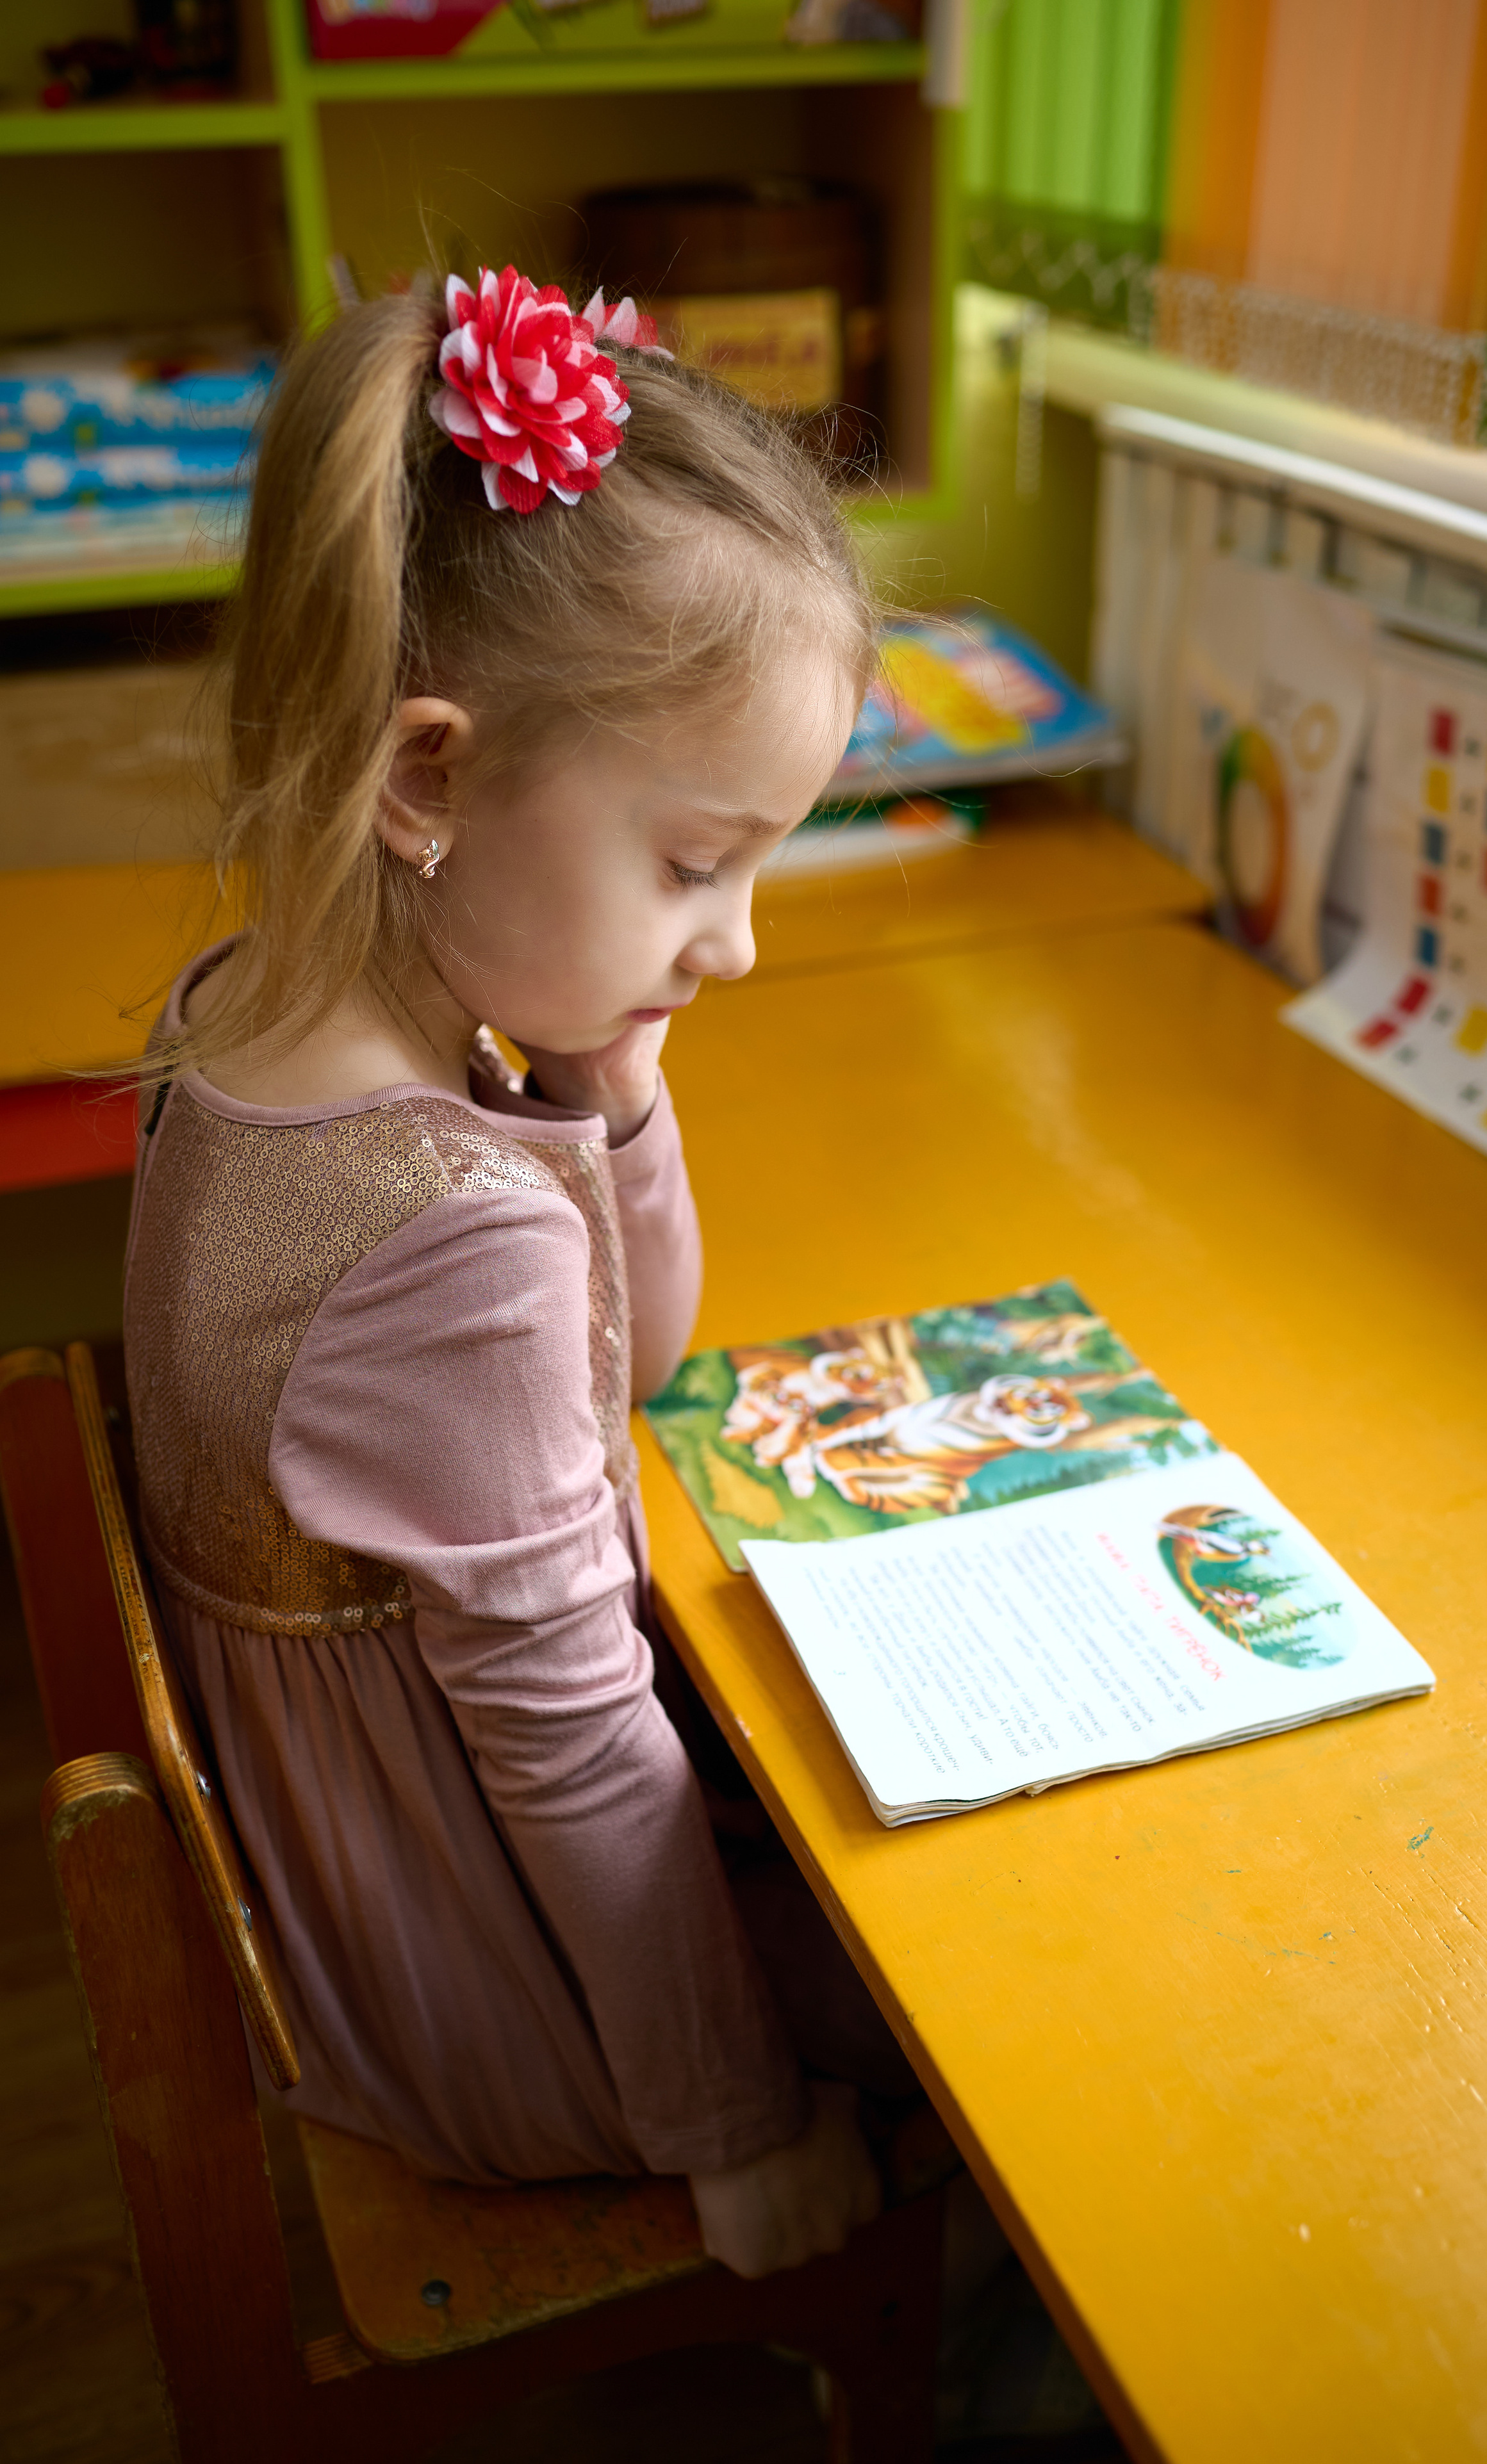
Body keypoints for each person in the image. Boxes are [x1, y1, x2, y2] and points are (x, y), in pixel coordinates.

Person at [122, 267, 888, 2280]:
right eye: (696, 862)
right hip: (475, 1976)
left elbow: (643, 1366)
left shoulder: (253, 1019)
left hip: (370, 1876)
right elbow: (573, 1749)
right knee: (979, 1978)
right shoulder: (443, 1236)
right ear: (432, 779)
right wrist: (734, 2136)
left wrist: (609, 1089)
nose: (736, 944)